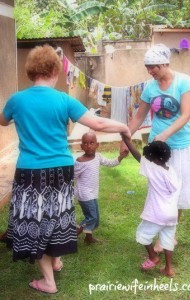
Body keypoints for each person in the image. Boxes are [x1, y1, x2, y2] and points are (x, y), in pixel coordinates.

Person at [0, 45, 131, 294]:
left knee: (34, 219)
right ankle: (56, 260)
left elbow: (3, 119)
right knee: (57, 216)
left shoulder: (17, 100)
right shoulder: (63, 99)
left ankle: (48, 280)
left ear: (31, 71)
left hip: (31, 172)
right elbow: (98, 123)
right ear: (54, 70)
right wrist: (123, 127)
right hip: (61, 169)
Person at [121, 43, 190, 252]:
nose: (150, 71)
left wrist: (165, 135)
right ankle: (164, 233)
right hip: (158, 149)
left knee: (177, 191)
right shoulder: (150, 87)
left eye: (153, 67)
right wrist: (126, 138)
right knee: (160, 191)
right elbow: (140, 115)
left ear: (165, 63)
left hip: (180, 145)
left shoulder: (184, 81)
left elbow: (185, 115)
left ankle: (169, 236)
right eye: (147, 67)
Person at [123, 135, 179, 277]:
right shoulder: (171, 170)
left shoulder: (154, 169)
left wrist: (126, 139)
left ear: (154, 158)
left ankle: (153, 256)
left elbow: (137, 155)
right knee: (167, 239)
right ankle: (169, 269)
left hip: (157, 213)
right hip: (172, 213)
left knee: (142, 235)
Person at [74, 132, 128, 244]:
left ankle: (88, 239)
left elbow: (110, 163)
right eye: (85, 143)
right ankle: (71, 236)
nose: (88, 146)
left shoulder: (98, 157)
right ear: (81, 146)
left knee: (95, 218)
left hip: (92, 193)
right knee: (91, 218)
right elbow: (71, 176)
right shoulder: (80, 161)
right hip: (84, 194)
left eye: (91, 143)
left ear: (97, 145)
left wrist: (121, 156)